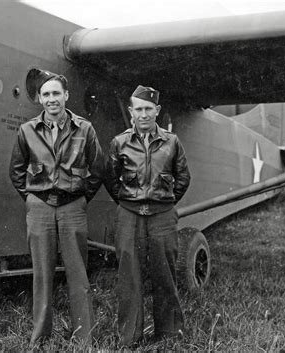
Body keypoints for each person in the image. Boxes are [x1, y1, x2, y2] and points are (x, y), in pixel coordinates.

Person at [9, 70, 104, 346]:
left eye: (56, 94)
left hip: (73, 207)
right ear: (40, 98)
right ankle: (39, 338)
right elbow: (16, 171)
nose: (52, 99)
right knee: (41, 274)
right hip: (39, 208)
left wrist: (83, 198)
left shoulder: (84, 128)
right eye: (46, 94)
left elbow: (97, 169)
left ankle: (84, 338)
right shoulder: (27, 130)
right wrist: (30, 198)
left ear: (66, 96)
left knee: (79, 273)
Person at [105, 85, 191, 346]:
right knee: (129, 276)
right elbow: (110, 178)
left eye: (148, 109)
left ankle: (168, 334)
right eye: (138, 109)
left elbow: (183, 177)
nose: (144, 114)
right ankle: (130, 337)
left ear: (158, 111)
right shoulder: (119, 142)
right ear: (131, 112)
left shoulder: (171, 142)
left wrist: (164, 201)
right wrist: (128, 199)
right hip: (129, 214)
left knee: (164, 274)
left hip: (162, 215)